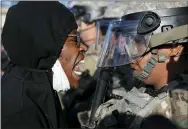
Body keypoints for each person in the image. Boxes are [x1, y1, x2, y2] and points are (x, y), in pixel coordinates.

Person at [81, 6, 188, 129]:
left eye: (140, 44)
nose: (131, 57)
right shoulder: (144, 88)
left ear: (174, 48)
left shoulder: (178, 109)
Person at [1, 1, 88, 128]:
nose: (83, 48)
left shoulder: (36, 86)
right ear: (45, 45)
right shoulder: (22, 112)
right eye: (75, 39)